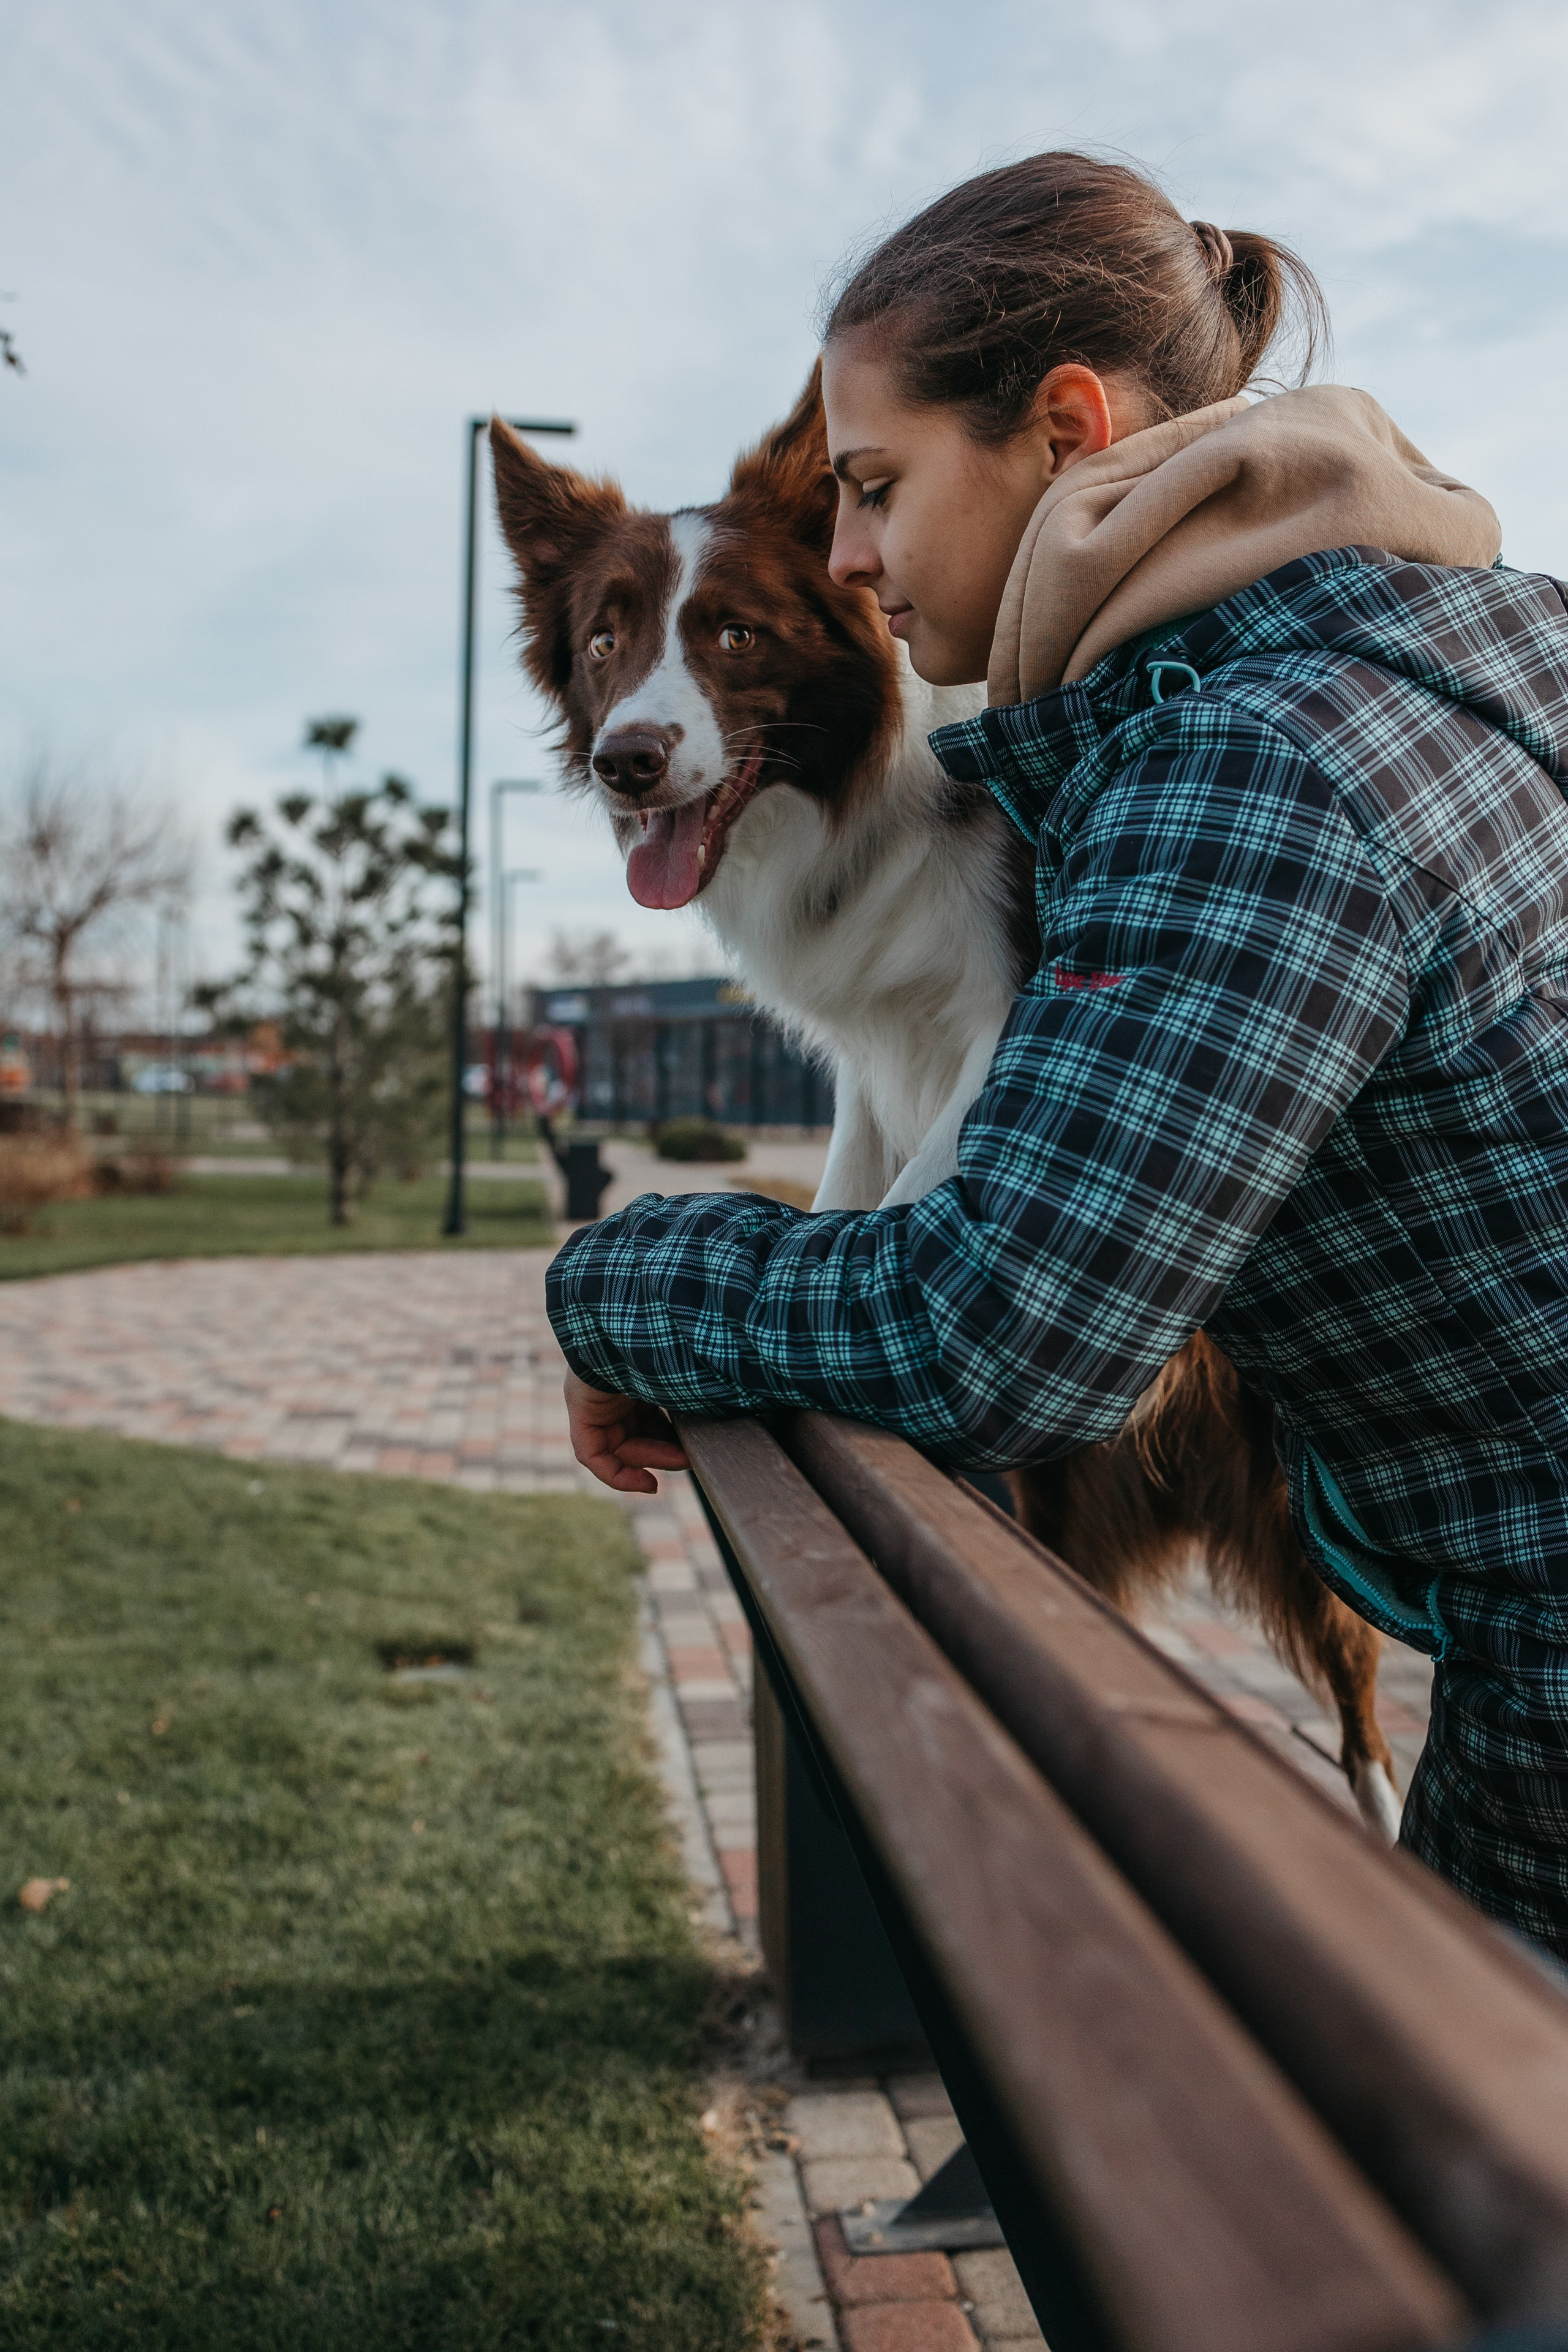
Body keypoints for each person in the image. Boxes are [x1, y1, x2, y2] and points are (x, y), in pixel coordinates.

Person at [548, 153, 1568, 1957]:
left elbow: (996, 1331)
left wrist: (615, 1281)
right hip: (1518, 1656)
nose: (847, 558)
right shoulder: (1458, 650)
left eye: (876, 489)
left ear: (1069, 432)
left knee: (1448, 2216)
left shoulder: (1253, 767)